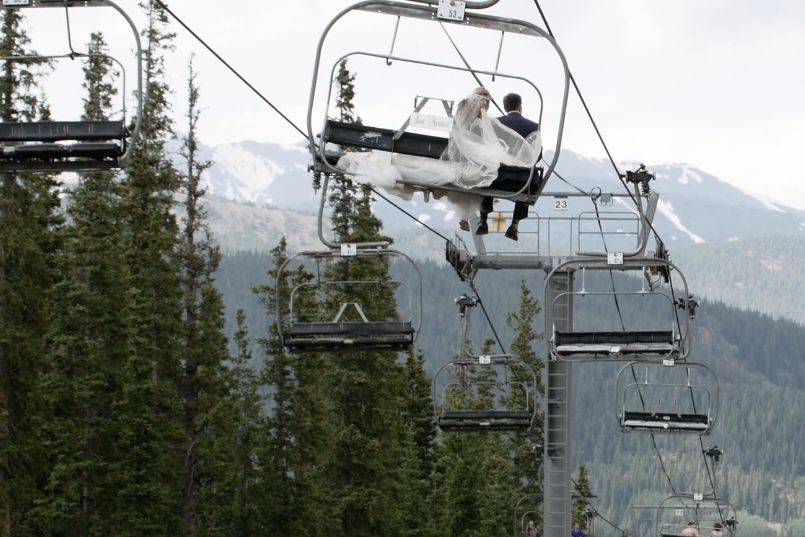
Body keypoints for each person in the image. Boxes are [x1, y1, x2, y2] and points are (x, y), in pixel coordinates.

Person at [476, 92, 542, 241]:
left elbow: (486, 148)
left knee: (487, 173)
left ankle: (483, 219)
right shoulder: (533, 126)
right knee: (529, 179)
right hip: (522, 181)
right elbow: (538, 155)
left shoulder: (494, 123)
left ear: (505, 107)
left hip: (497, 178)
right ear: (520, 106)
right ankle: (514, 225)